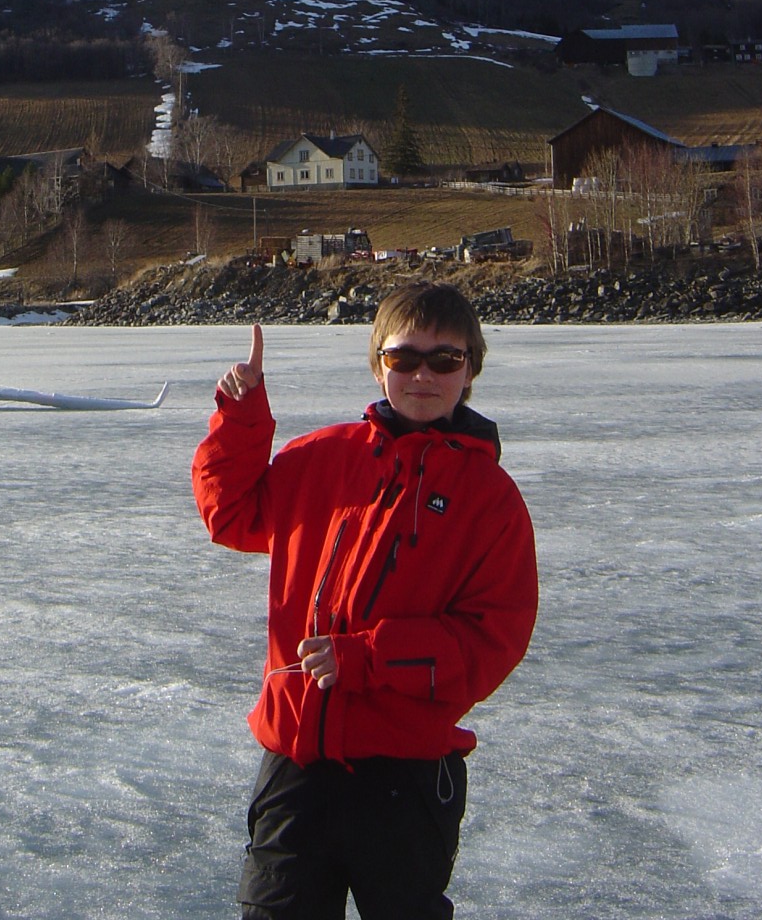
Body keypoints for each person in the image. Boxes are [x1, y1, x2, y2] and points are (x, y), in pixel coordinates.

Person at [192, 282, 538, 920]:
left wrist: (370, 659)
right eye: (404, 358)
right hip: (296, 764)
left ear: (471, 370)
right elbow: (230, 514)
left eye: (444, 360)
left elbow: (492, 641)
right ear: (379, 364)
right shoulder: (322, 458)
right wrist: (241, 419)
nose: (423, 376)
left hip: (406, 779)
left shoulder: (491, 499)